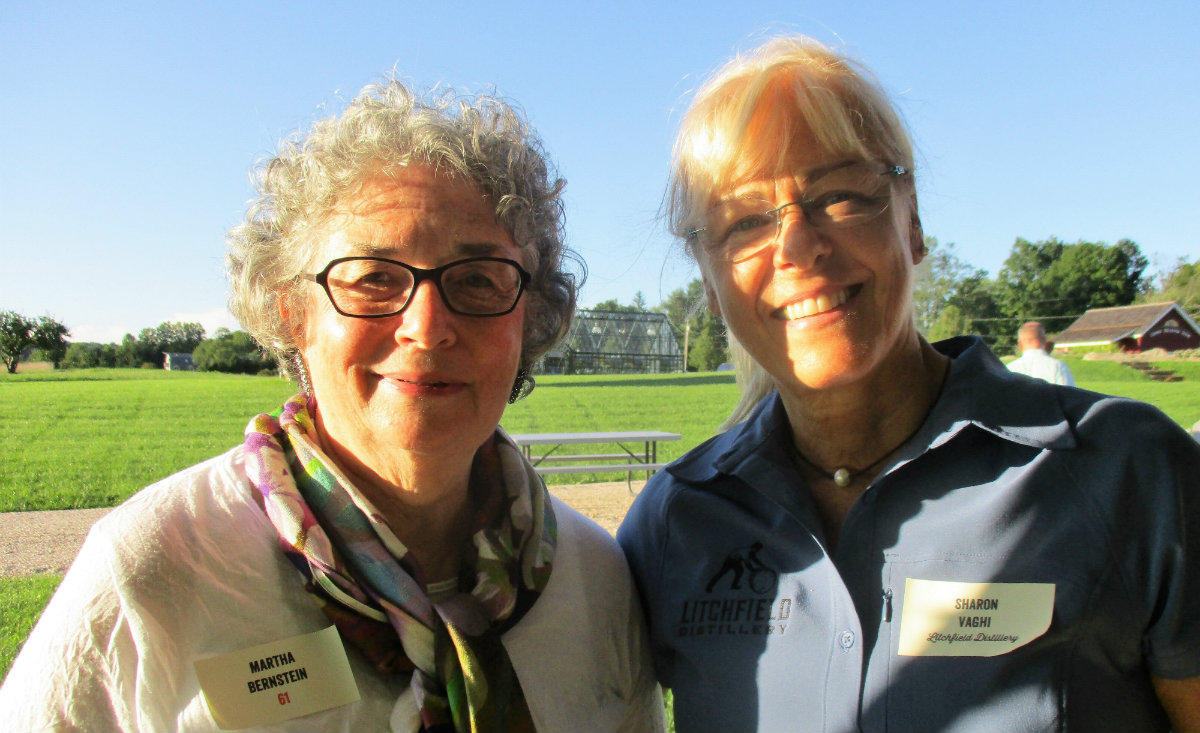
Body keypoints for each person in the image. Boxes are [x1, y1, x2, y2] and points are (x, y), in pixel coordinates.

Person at [0, 79, 663, 732]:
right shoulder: (156, 567)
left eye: (479, 280)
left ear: (531, 317)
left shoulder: (593, 579)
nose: (426, 327)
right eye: (374, 277)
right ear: (294, 315)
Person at [617, 36, 1200, 732]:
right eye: (744, 222)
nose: (798, 248)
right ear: (710, 284)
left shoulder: (1130, 473)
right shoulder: (674, 524)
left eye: (837, 195)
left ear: (912, 220)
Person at [1007, 320, 1075, 385]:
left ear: (1020, 344)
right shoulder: (1058, 366)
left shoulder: (1009, 369)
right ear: (1045, 341)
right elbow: (1070, 395)